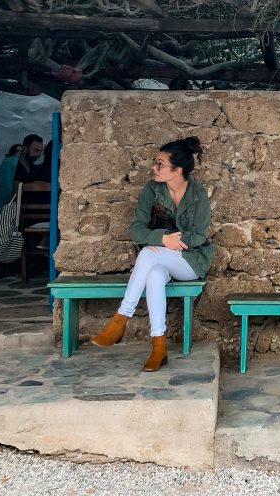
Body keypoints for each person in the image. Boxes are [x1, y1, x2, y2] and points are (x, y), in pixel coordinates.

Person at [91, 137, 212, 371]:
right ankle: (159, 346)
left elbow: (199, 235)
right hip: (161, 257)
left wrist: (173, 242)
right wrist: (163, 239)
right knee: (154, 273)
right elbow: (136, 228)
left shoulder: (198, 194)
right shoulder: (152, 190)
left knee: (148, 254)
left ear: (177, 170)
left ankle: (120, 319)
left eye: (159, 164)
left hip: (192, 260)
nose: (153, 168)